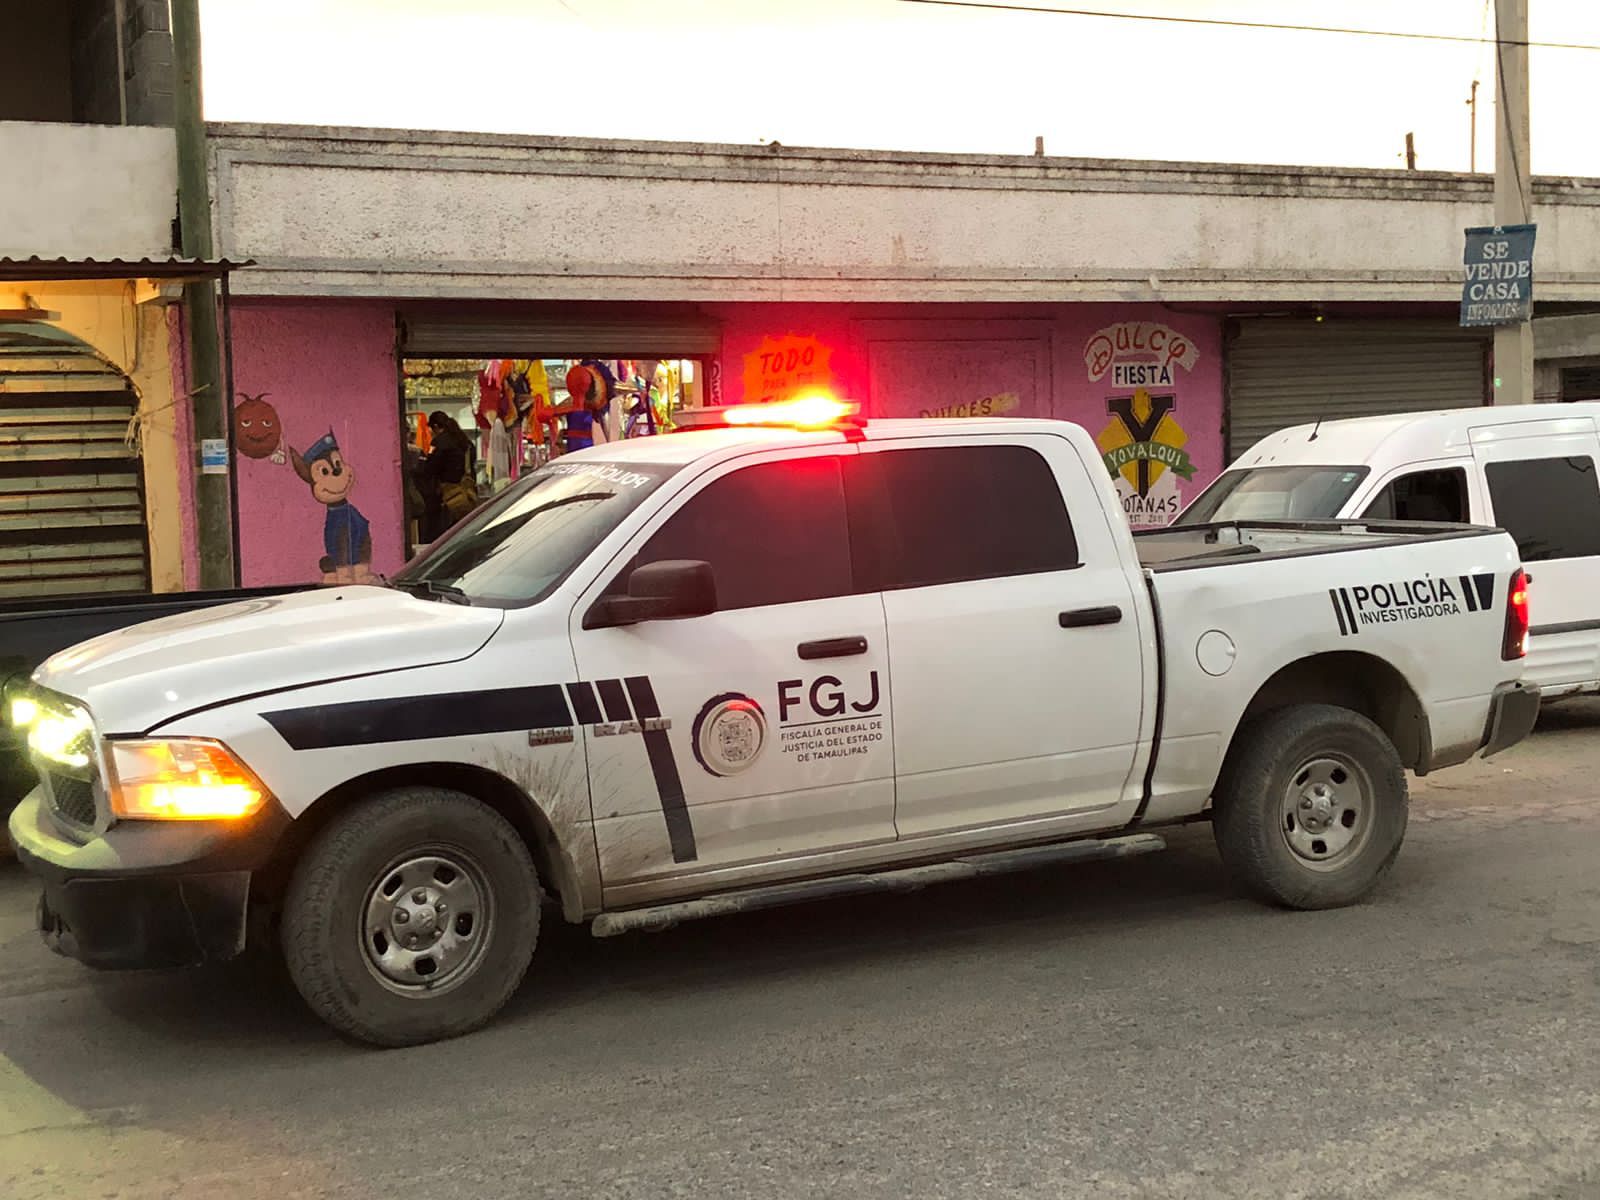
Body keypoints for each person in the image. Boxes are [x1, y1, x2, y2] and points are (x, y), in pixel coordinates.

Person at [415, 411, 476, 542]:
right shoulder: (465, 441)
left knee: (440, 529)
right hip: (466, 491)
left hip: (446, 493)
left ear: (436, 426)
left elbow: (430, 468)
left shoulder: (439, 442)